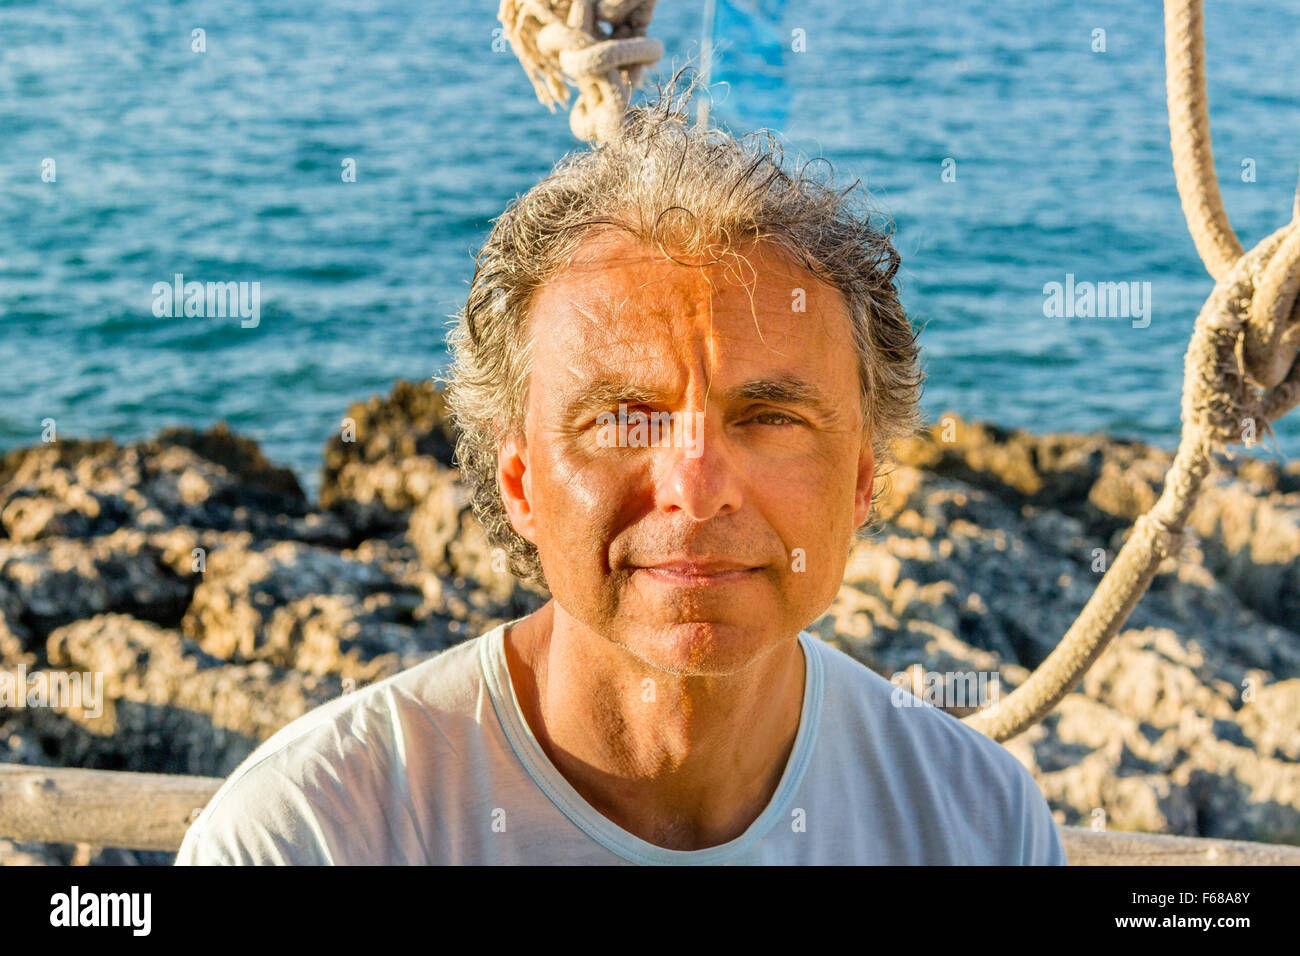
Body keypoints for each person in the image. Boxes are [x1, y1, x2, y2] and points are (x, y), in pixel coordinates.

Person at [175, 81, 1067, 866]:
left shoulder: (977, 824)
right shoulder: (315, 835)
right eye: (622, 419)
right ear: (518, 481)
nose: (696, 482)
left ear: (864, 479)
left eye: (770, 418)